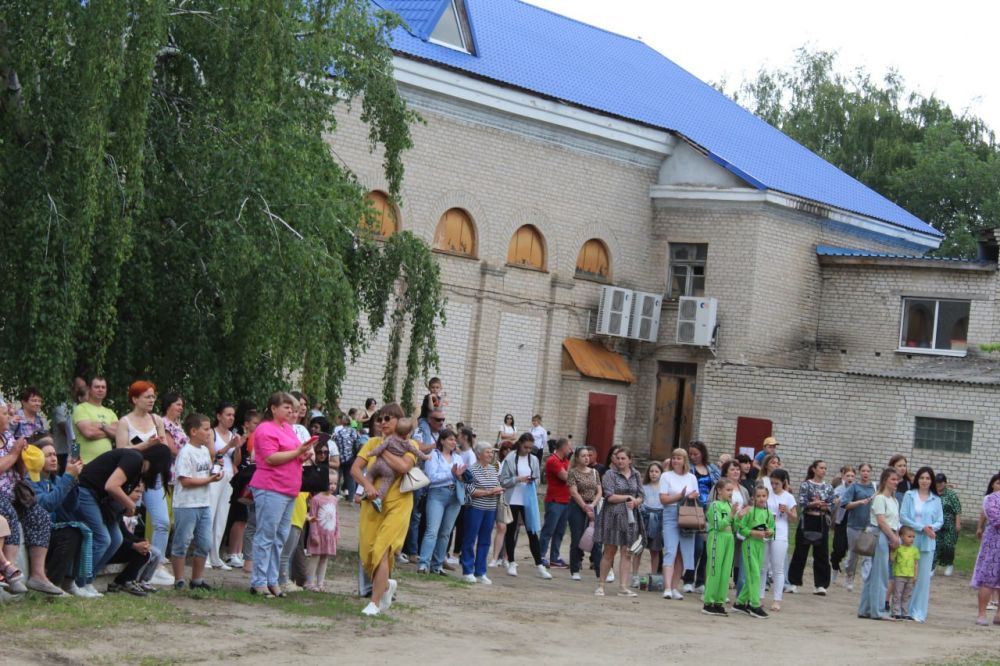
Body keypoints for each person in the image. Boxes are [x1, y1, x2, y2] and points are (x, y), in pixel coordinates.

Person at [72, 443, 172, 596]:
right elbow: (111, 486)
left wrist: (123, 509)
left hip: (100, 499)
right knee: (102, 538)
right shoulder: (134, 459)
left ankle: (88, 580)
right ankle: (79, 582)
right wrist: (130, 505)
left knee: (116, 539)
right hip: (86, 491)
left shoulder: (138, 471)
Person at [352, 402, 420, 616]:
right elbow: (355, 469)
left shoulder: (412, 445)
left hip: (398, 504)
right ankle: (386, 586)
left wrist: (385, 448)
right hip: (373, 504)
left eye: (387, 419)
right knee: (369, 552)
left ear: (399, 421)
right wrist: (368, 486)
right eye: (379, 419)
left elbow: (403, 467)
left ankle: (374, 602)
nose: (382, 422)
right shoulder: (371, 442)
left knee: (382, 549)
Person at [249, 392, 314, 598]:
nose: (290, 411)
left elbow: (293, 454)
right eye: (286, 407)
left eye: (291, 407)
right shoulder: (265, 429)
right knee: (266, 535)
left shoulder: (288, 428)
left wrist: (304, 454)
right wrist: (297, 453)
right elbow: (270, 458)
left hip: (289, 488)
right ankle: (259, 581)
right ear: (273, 408)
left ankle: (272, 579)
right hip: (271, 487)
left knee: (280, 537)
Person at [0, 411, 63, 595]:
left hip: (13, 493)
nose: (10, 416)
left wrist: (22, 457)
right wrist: (14, 453)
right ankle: (9, 571)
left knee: (40, 515)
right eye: (5, 413)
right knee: (9, 513)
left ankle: (38, 575)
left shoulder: (7, 436)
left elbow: (20, 472)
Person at [115, 381, 170, 584]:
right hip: (132, 476)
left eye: (153, 396)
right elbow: (120, 450)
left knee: (163, 521)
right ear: (135, 399)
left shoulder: (157, 420)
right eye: (147, 396)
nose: (151, 400)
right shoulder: (125, 422)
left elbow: (163, 448)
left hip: (153, 475)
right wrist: (145, 446)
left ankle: (159, 563)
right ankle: (134, 561)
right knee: (131, 519)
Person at [28, 442, 96, 597]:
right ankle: (53, 583)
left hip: (50, 531)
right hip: (35, 534)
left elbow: (72, 506)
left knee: (80, 529)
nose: (53, 459)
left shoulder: (56, 480)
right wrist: (68, 477)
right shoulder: (30, 480)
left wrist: (73, 480)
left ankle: (69, 581)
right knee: (70, 533)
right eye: (47, 455)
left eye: (54, 454)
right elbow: (48, 504)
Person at [171, 413, 224, 591]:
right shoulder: (186, 453)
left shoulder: (203, 451)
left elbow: (205, 472)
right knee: (182, 541)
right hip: (186, 504)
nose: (209, 433)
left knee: (204, 543)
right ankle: (179, 579)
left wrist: (216, 472)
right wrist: (209, 480)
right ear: (193, 431)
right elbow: (185, 481)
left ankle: (197, 579)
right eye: (206, 429)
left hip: (203, 502)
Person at [499, 433, 550, 580]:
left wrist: (532, 480)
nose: (528, 450)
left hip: (528, 499)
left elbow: (538, 479)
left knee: (532, 531)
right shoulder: (510, 458)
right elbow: (503, 481)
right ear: (520, 444)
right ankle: (511, 562)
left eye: (530, 448)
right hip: (513, 499)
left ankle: (539, 565)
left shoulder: (533, 459)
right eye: (526, 447)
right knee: (511, 530)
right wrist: (518, 479)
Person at [594, 447, 643, 597]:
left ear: (630, 460)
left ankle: (623, 587)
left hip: (630, 518)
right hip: (612, 516)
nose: (620, 461)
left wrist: (636, 502)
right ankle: (601, 585)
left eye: (623, 458)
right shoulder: (610, 474)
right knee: (609, 551)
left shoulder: (636, 474)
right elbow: (609, 496)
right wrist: (627, 497)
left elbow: (641, 495)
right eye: (618, 458)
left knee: (627, 552)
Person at [418, 428, 466, 575]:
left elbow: (463, 476)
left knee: (446, 532)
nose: (453, 442)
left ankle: (437, 565)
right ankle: (423, 563)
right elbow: (432, 477)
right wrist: (451, 474)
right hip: (437, 494)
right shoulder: (434, 455)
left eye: (454, 440)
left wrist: (461, 477)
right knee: (432, 530)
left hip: (454, 495)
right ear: (442, 441)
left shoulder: (458, 458)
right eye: (450, 439)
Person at [899, 466, 942, 623]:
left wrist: (931, 528)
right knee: (905, 575)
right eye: (922, 478)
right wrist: (921, 527)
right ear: (917, 479)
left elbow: (940, 520)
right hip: (910, 540)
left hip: (927, 542)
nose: (925, 481)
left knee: (922, 579)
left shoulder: (936, 500)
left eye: (928, 478)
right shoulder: (909, 495)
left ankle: (918, 611)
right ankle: (901, 608)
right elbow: (903, 516)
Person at [858, 467, 901, 621]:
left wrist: (896, 536)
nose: (896, 482)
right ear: (885, 481)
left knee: (874, 574)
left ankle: (865, 608)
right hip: (880, 536)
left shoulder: (894, 500)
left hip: (889, 536)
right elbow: (881, 521)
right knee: (880, 574)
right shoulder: (880, 498)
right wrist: (893, 537)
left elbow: (895, 521)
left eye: (897, 480)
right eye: (893, 479)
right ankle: (877, 610)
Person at [108, 482, 163, 596]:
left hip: (120, 545)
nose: (139, 496)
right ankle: (126, 581)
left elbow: (125, 533)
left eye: (141, 493)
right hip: (110, 549)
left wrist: (141, 541)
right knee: (144, 553)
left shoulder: (122, 510)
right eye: (136, 491)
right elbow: (116, 537)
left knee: (149, 552)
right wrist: (134, 545)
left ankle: (136, 581)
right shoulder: (114, 509)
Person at [788, 460, 834, 595]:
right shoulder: (806, 485)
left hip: (822, 520)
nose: (823, 470)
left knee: (822, 553)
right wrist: (813, 503)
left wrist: (824, 506)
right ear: (814, 469)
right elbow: (802, 502)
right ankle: (794, 582)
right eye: (821, 468)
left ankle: (821, 585)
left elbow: (831, 504)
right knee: (800, 552)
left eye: (825, 468)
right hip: (807, 519)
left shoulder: (828, 487)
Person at [659, 448, 699, 600]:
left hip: (687, 515)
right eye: (674, 457)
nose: (676, 460)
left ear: (684, 461)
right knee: (670, 550)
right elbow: (663, 500)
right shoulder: (666, 476)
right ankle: (667, 587)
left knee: (683, 553)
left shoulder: (691, 477)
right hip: (670, 513)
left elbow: (695, 497)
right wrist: (680, 496)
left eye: (679, 458)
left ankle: (675, 587)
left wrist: (690, 496)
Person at [461, 441, 503, 584]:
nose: (491, 454)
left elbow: (497, 484)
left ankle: (481, 571)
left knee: (485, 541)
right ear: (479, 454)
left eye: (492, 452)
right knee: (470, 538)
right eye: (487, 452)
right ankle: (467, 570)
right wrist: (489, 492)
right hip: (475, 508)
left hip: (490, 509)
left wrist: (498, 490)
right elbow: (470, 491)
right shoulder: (471, 470)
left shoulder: (493, 469)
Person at [208, 403, 243, 570]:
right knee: (211, 514)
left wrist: (237, 447)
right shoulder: (211, 433)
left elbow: (236, 461)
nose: (231, 418)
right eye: (228, 415)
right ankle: (205, 554)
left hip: (228, 476)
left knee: (222, 517)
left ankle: (215, 555)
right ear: (219, 416)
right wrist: (229, 445)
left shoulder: (232, 435)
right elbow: (211, 454)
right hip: (215, 476)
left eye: (233, 415)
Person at [225, 408, 260, 570]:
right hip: (242, 480)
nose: (257, 426)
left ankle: (238, 552)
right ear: (246, 424)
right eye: (255, 423)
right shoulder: (241, 438)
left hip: (251, 479)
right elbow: (237, 460)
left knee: (245, 519)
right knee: (239, 517)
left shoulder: (256, 438)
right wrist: (242, 443)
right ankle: (232, 552)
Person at [733, 485, 773, 619]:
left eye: (764, 496)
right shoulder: (749, 511)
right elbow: (740, 527)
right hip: (749, 544)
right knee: (754, 574)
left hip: (760, 545)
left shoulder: (768, 513)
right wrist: (752, 532)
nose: (761, 498)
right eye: (758, 496)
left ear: (767, 497)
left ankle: (739, 603)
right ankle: (754, 604)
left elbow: (772, 529)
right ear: (754, 498)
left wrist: (769, 532)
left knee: (755, 573)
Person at [684, 441, 719, 592]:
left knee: (707, 547)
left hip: (710, 510)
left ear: (703, 454)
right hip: (694, 509)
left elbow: (718, 487)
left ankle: (700, 581)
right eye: (690, 454)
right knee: (696, 547)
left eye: (695, 454)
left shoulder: (712, 469)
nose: (693, 457)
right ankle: (688, 578)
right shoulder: (688, 469)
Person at [761, 469, 796, 612]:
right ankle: (760, 596)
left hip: (780, 534)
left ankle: (777, 599)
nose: (774, 486)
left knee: (778, 568)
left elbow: (794, 519)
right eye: (772, 483)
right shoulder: (766, 495)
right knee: (762, 567)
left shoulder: (788, 497)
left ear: (784, 483)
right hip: (765, 531)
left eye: (777, 483)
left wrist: (787, 511)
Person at [567, 446, 602, 582]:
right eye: (583, 456)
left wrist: (592, 506)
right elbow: (574, 492)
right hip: (577, 506)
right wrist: (584, 507)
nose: (587, 458)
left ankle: (600, 570)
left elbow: (599, 491)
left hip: (593, 505)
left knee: (596, 538)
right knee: (577, 537)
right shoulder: (573, 473)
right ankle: (575, 569)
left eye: (588, 455)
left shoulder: (594, 472)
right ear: (577, 458)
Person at [840, 463, 876, 590]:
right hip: (854, 525)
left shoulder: (874, 488)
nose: (865, 473)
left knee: (868, 554)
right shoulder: (854, 487)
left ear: (871, 472)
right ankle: (849, 576)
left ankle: (866, 580)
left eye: (868, 471)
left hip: (869, 526)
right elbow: (845, 504)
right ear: (860, 473)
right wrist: (859, 502)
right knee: (853, 554)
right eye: (863, 471)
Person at [703, 478, 736, 616]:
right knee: (715, 570)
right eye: (728, 490)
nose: (730, 493)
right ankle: (708, 603)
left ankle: (718, 602)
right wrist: (731, 516)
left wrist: (739, 517)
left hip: (729, 539)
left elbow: (734, 525)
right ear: (719, 491)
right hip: (718, 538)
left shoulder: (730, 506)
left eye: (732, 490)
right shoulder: (715, 505)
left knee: (725, 571)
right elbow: (717, 525)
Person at [304, 468, 340, 592]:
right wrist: (314, 534)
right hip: (318, 535)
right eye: (330, 483)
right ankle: (309, 582)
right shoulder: (316, 499)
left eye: (335, 483)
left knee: (324, 559)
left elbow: (336, 518)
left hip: (329, 535)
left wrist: (337, 533)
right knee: (315, 558)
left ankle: (320, 584)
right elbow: (312, 518)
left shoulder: (335, 500)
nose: (332, 486)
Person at [539, 437, 572, 569]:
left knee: (560, 531)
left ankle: (554, 557)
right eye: (569, 447)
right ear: (563, 447)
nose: (571, 449)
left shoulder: (566, 461)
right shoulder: (553, 460)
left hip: (565, 500)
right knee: (549, 530)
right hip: (555, 500)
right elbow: (565, 477)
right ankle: (541, 555)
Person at [972, 472, 1000, 626]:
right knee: (988, 579)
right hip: (993, 545)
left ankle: (999, 615)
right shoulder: (990, 499)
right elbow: (996, 519)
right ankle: (982, 614)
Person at [72, 376, 119, 463]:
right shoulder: (81, 408)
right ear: (89, 389)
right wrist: (109, 430)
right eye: (97, 387)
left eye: (103, 387)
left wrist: (102, 426)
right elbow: (89, 433)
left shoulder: (110, 412)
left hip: (108, 463)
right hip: (86, 462)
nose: (100, 390)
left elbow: (118, 433)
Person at [634, 461, 664, 584]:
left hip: (658, 518)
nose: (654, 474)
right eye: (651, 471)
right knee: (638, 548)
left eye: (657, 471)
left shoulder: (664, 488)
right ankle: (635, 576)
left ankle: (654, 577)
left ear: (662, 473)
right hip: (644, 518)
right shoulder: (643, 487)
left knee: (655, 550)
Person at [51, 377, 87, 474]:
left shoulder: (82, 410)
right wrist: (75, 455)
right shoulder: (64, 408)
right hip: (63, 452)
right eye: (80, 388)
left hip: (78, 451)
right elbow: (71, 434)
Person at [830, 465, 855, 584]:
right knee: (838, 548)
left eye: (852, 476)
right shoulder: (839, 489)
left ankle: (849, 576)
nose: (850, 478)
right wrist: (837, 500)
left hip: (853, 522)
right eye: (847, 475)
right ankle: (834, 567)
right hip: (841, 520)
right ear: (843, 477)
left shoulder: (856, 488)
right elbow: (833, 501)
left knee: (851, 550)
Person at [934, 473, 962, 577]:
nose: (939, 485)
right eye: (937, 482)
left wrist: (958, 524)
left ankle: (949, 564)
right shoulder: (933, 493)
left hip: (950, 523)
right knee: (936, 545)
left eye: (941, 482)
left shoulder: (951, 494)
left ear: (945, 483)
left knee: (948, 545)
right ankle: (933, 567)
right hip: (936, 523)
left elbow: (957, 510)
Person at [890, 525, 919, 619]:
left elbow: (916, 563)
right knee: (897, 594)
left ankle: (905, 612)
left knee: (907, 595)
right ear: (901, 536)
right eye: (909, 536)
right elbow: (892, 559)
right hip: (899, 575)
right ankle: (896, 611)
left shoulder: (914, 550)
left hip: (910, 576)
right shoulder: (899, 548)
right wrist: (892, 550)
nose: (912, 539)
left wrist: (915, 575)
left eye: (913, 537)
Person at [417, 377, 445, 443]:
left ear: (441, 388)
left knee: (445, 432)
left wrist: (442, 399)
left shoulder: (439, 398)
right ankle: (427, 448)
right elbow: (431, 409)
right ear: (429, 388)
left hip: (434, 421)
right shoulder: (427, 397)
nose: (435, 389)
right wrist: (430, 398)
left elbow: (439, 409)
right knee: (426, 431)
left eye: (437, 387)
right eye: (433, 387)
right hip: (424, 419)